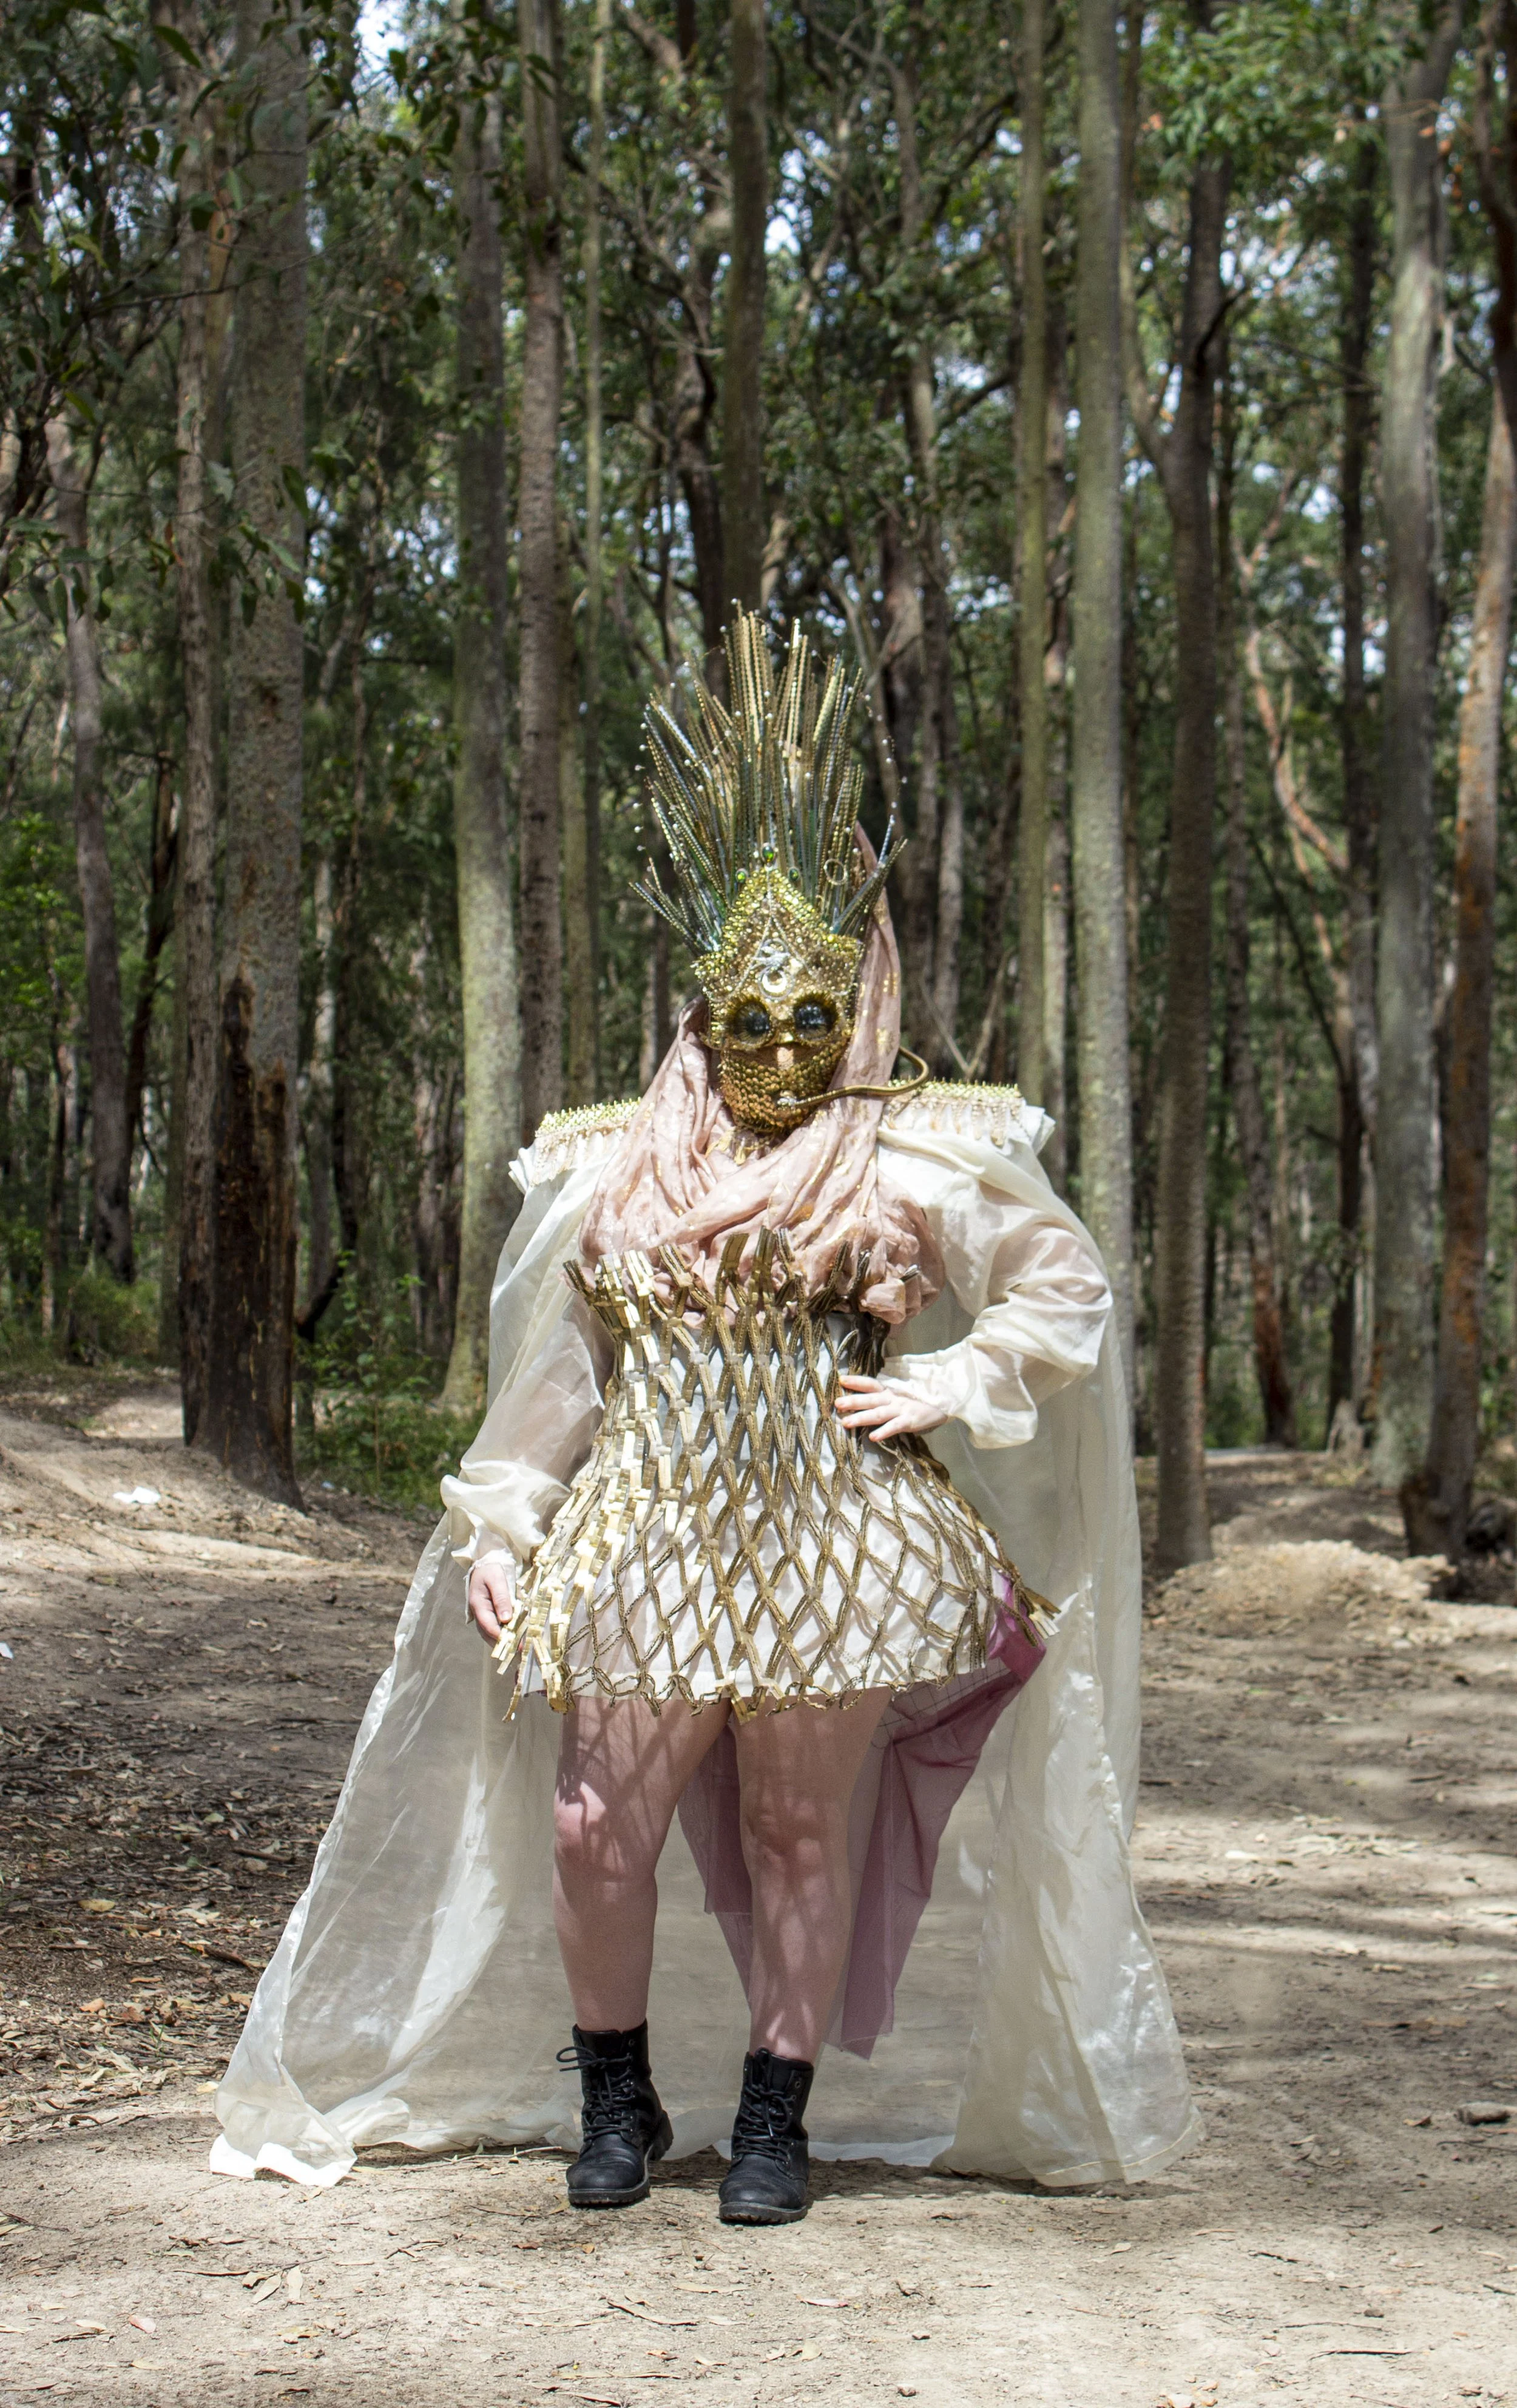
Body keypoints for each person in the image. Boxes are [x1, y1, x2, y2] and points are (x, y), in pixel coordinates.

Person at [211, 615, 1198, 2217]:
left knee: (806, 1833)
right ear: (697, 1012)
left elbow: (1061, 1284)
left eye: (813, 1016)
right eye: (748, 1020)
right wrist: (509, 1513)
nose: (781, 1052)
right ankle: (613, 2102)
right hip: (648, 1526)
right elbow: (561, 1369)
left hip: (835, 1527)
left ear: (854, 1006)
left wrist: (942, 1378)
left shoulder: (910, 1154)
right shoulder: (611, 1170)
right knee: (600, 1819)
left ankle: (773, 2121)